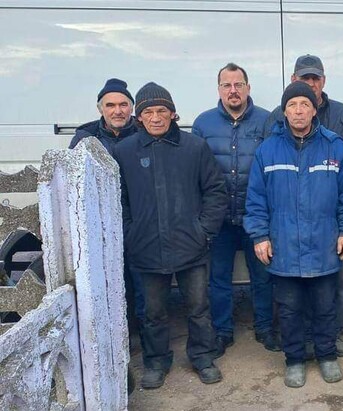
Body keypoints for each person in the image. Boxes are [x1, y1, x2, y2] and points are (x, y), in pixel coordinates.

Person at [244, 81, 343, 388]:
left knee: (325, 306)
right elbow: (256, 200)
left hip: (324, 245)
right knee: (290, 309)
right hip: (284, 246)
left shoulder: (336, 147)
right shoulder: (267, 150)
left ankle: (326, 355)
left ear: (314, 109)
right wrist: (260, 236)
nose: (298, 111)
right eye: (292, 105)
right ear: (284, 111)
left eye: (304, 105)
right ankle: (294, 359)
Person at [115, 82, 228, 389]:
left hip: (191, 247)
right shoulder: (124, 152)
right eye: (148, 112)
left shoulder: (194, 148)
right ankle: (155, 362)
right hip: (146, 248)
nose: (155, 118)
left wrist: (203, 231)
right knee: (152, 313)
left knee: (199, 308)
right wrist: (130, 233)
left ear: (173, 114)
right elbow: (117, 199)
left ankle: (203, 357)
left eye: (161, 111)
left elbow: (216, 191)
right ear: (138, 117)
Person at [266, 54, 343, 357]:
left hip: (329, 223)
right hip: (289, 222)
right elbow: (268, 172)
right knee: (290, 291)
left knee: (333, 287)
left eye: (315, 78)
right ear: (294, 81)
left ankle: (330, 340)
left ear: (323, 81)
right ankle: (296, 345)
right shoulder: (274, 122)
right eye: (304, 78)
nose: (310, 84)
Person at [192, 63, 279, 357]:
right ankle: (223, 331)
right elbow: (197, 174)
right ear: (218, 89)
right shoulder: (203, 124)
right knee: (219, 277)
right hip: (219, 219)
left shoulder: (267, 121)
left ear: (248, 88)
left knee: (263, 275)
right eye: (227, 85)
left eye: (238, 84)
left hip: (255, 217)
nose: (233, 90)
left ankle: (265, 328)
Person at [69, 78, 145, 341]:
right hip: (100, 226)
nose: (118, 111)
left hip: (137, 221)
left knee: (140, 285)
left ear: (132, 107)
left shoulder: (143, 133)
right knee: (108, 285)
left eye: (124, 104)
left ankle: (137, 336)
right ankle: (110, 337)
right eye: (111, 105)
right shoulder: (85, 138)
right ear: (100, 108)